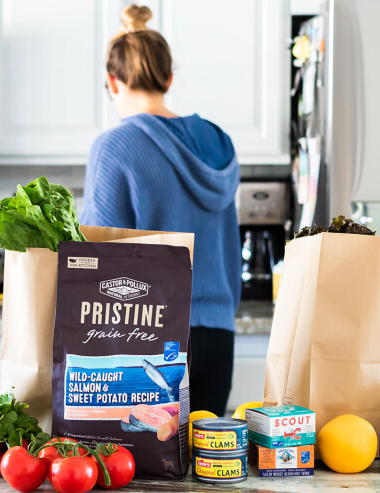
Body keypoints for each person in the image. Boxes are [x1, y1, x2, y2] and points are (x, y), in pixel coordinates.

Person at [81, 4, 241, 417]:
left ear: (112, 83)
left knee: (143, 475)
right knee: (202, 467)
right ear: (169, 79)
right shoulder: (219, 142)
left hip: (149, 341)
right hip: (219, 336)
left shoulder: (114, 147)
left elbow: (94, 257)